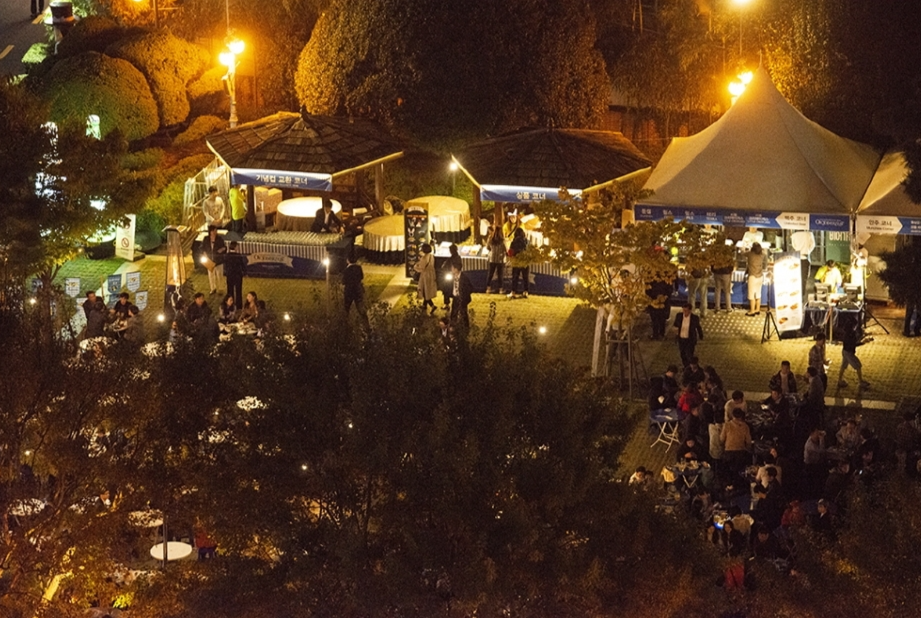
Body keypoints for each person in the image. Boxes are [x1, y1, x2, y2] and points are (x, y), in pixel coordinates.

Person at [837, 315, 870, 390]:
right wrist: (863, 342)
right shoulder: (850, 334)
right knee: (858, 365)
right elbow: (853, 344)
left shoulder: (846, 333)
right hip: (849, 353)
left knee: (843, 366)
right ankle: (860, 382)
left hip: (845, 351)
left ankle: (839, 380)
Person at [720, 408, 752, 478]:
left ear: (732, 415)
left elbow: (722, 439)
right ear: (741, 416)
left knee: (728, 473)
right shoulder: (745, 426)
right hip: (740, 453)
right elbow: (748, 441)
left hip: (728, 453)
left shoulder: (727, 425)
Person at [342, 253, 369, 327]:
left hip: (349, 291)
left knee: (346, 308)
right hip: (357, 290)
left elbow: (344, 281)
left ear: (348, 260)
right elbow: (362, 277)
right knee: (360, 308)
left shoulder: (346, 270)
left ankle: (345, 324)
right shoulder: (359, 268)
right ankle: (366, 325)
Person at [201, 225, 227, 296]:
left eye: (216, 230)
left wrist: (221, 250)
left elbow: (224, 247)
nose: (215, 232)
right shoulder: (206, 239)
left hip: (218, 260)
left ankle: (221, 288)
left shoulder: (219, 239)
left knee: (219, 275)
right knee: (211, 275)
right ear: (210, 231)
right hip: (209, 260)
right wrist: (204, 253)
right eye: (214, 231)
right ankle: (213, 288)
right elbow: (203, 248)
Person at [413, 243, 438, 314]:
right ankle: (424, 305)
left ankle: (432, 306)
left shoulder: (424, 258)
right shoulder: (431, 256)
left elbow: (421, 268)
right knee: (427, 290)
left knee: (425, 291)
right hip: (431, 275)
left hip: (425, 276)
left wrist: (415, 266)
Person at [223, 241, 248, 309]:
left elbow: (225, 265)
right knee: (238, 291)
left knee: (230, 290)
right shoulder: (238, 256)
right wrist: (245, 272)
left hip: (230, 275)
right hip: (237, 275)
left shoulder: (226, 256)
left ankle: (230, 304)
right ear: (235, 247)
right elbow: (242, 265)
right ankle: (239, 305)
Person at [507, 227, 530, 299]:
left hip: (516, 261)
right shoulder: (526, 241)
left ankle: (513, 292)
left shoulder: (514, 242)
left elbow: (511, 252)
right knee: (525, 277)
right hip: (525, 261)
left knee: (515, 277)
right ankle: (525, 292)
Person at [484, 225, 506, 294]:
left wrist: (492, 250)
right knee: (500, 275)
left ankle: (488, 288)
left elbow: (487, 247)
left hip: (492, 258)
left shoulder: (490, 239)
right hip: (500, 259)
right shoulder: (502, 240)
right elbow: (505, 249)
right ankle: (501, 289)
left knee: (490, 274)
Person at [451, 263, 473, 328]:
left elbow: (470, 288)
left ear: (456, 269)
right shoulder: (452, 277)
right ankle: (453, 325)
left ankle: (465, 327)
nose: (451, 269)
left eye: (452, 268)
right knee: (454, 312)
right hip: (455, 297)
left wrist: (464, 295)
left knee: (463, 312)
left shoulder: (464, 278)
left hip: (462, 298)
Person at [440, 244, 462, 311]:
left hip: (455, 275)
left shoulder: (457, 258)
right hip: (450, 275)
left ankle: (454, 304)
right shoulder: (452, 258)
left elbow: (459, 266)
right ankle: (447, 304)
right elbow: (445, 265)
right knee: (446, 289)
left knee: (454, 289)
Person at [745, 243, 765, 316]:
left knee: (751, 294)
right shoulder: (762, 255)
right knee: (758, 294)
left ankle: (752, 311)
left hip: (752, 277)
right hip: (760, 276)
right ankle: (757, 309)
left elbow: (742, 252)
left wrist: (745, 246)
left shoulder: (750, 254)